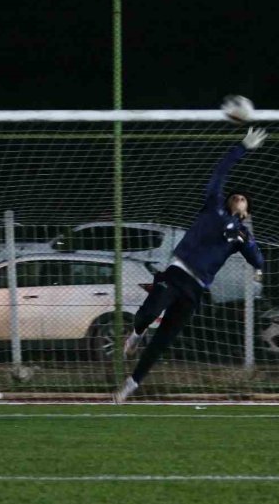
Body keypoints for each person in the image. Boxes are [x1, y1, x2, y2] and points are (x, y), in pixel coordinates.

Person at [112, 127, 268, 403]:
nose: (238, 198)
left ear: (247, 211)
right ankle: (136, 333)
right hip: (177, 273)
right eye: (236, 195)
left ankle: (131, 384)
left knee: (164, 340)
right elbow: (219, 174)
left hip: (195, 289)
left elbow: (258, 260)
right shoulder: (214, 208)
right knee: (147, 314)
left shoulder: (241, 236)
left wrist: (247, 243)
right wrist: (242, 147)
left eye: (244, 199)